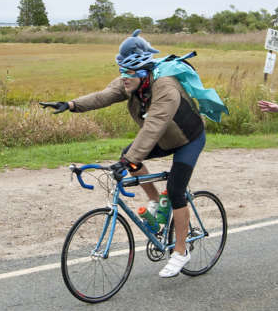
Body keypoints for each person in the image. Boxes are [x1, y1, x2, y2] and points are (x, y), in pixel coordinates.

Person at [42, 30, 218, 278]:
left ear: (144, 72)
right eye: (121, 71)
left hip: (188, 139)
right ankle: (156, 201)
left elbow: (153, 126)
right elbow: (103, 96)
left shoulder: (165, 87)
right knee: (131, 158)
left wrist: (128, 160)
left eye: (129, 72)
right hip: (164, 139)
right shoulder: (131, 83)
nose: (123, 77)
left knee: (176, 190)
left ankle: (181, 251)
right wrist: (71, 105)